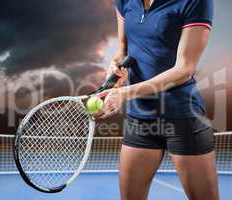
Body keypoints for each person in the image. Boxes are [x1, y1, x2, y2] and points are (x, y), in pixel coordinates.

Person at [93, 0, 219, 199]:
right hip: (140, 116)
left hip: (181, 116)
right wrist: (115, 71)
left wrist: (124, 94)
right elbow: (123, 52)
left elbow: (184, 69)